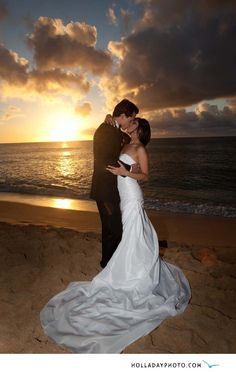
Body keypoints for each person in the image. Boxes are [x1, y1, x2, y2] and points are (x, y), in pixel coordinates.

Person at [40, 117, 191, 354]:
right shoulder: (124, 142)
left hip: (131, 193)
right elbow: (108, 141)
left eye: (134, 123)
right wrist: (107, 123)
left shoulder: (139, 148)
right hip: (122, 193)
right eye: (129, 122)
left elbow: (145, 176)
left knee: (133, 232)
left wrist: (125, 171)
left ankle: (135, 273)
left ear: (140, 130)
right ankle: (134, 266)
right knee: (130, 233)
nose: (129, 125)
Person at [90, 98, 139, 268]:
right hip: (105, 189)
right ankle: (109, 266)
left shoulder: (113, 130)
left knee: (111, 228)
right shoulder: (105, 131)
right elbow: (106, 161)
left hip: (109, 189)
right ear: (123, 116)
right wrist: (130, 170)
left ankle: (107, 263)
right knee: (114, 229)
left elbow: (127, 140)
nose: (132, 122)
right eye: (131, 118)